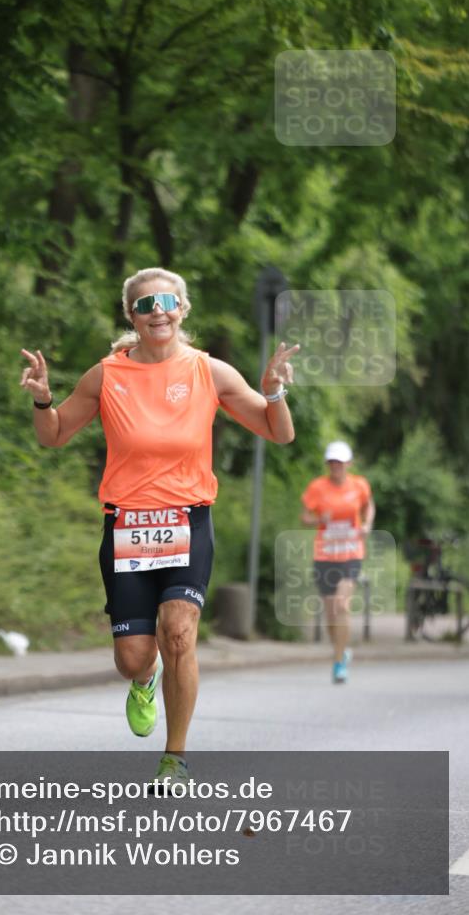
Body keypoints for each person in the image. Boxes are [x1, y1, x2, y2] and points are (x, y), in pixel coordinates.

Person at [21, 267, 298, 788]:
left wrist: (274, 393)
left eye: (167, 302)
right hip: (126, 525)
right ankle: (143, 680)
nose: (158, 312)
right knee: (133, 659)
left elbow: (276, 432)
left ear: (182, 309)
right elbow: (53, 435)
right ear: (131, 315)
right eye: (145, 305)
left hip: (187, 520)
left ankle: (175, 758)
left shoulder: (208, 371)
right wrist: (41, 399)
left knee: (178, 631)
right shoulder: (105, 375)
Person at [300, 441, 375, 684]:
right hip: (325, 554)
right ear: (328, 464)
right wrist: (319, 519)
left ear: (348, 464)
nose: (336, 466)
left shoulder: (359, 485)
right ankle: (341, 650)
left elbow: (369, 506)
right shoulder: (317, 487)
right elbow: (304, 517)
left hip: (351, 553)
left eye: (340, 462)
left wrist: (367, 525)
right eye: (332, 462)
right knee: (331, 613)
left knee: (342, 605)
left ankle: (338, 662)